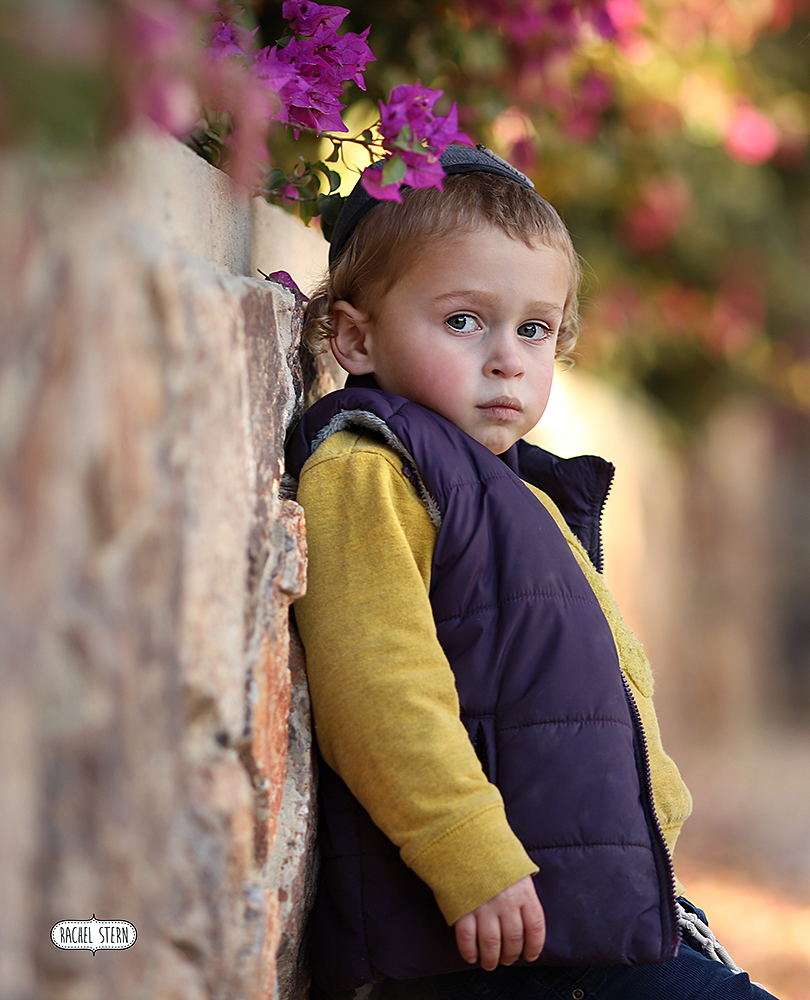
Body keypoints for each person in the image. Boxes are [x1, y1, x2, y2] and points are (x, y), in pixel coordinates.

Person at [286, 144, 776, 1000]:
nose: (507, 358)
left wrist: (654, 823)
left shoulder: (516, 491)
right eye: (463, 321)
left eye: (534, 329)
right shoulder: (371, 469)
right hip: (488, 939)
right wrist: (467, 850)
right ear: (357, 337)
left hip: (573, 914)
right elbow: (377, 685)